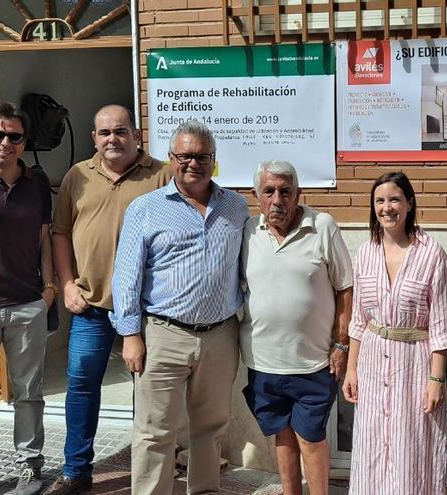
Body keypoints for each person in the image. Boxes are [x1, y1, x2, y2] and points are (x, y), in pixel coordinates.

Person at [109, 120, 248, 494]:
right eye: (185, 156)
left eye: (202, 156)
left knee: (211, 426)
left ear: (213, 160)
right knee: (155, 431)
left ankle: (203, 490)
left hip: (220, 335)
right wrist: (130, 335)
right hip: (162, 335)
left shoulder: (236, 206)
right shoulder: (146, 208)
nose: (193, 163)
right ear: (171, 159)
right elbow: (126, 276)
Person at [44, 105, 171, 495]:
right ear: (93, 137)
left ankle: (147, 470)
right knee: (82, 387)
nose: (112, 139)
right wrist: (67, 284)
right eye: (104, 133)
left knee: (148, 392)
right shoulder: (77, 175)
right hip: (92, 307)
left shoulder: (162, 175)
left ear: (136, 135)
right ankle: (76, 470)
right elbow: (60, 232)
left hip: (148, 311)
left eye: (120, 131)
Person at [240, 160, 353, 495]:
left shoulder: (323, 226)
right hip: (262, 362)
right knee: (282, 435)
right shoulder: (247, 232)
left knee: (312, 437)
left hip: (313, 362)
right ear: (256, 196)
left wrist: (341, 344)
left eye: (286, 191)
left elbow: (345, 287)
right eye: (269, 191)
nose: (278, 199)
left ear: (298, 194)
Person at [342, 172, 447, 494]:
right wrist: (351, 369)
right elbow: (359, 321)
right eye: (380, 200)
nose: (387, 207)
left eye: (394, 199)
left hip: (414, 367)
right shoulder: (366, 252)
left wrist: (436, 380)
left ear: (409, 203)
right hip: (373, 364)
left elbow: (441, 326)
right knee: (372, 448)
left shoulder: (432, 252)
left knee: (411, 449)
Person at [0, 103, 53, 495]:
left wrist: (49, 289)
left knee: (28, 391)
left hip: (26, 301)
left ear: (23, 142)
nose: (6, 143)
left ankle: (30, 466)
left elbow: (44, 237)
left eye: (15, 137)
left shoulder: (36, 183)